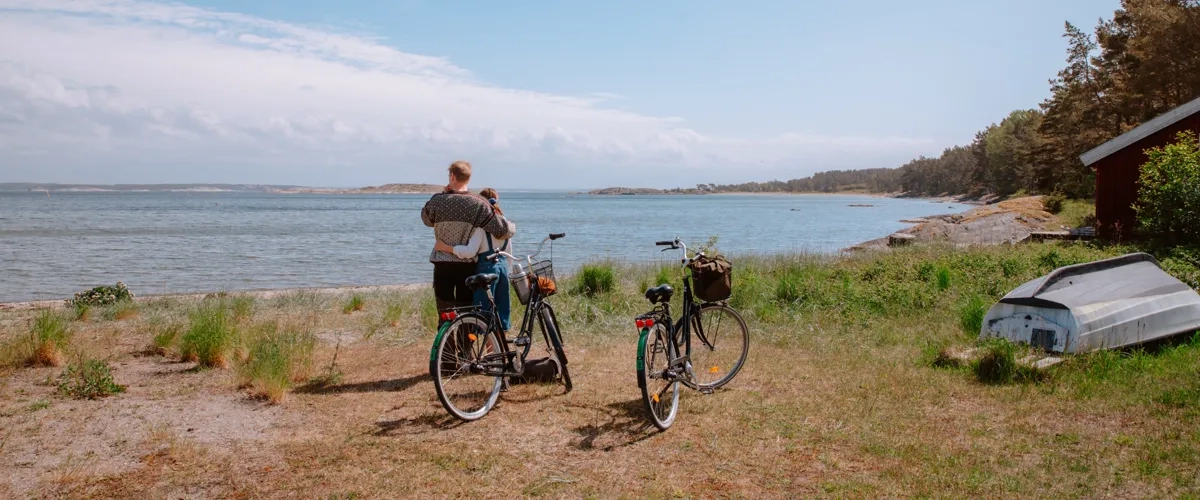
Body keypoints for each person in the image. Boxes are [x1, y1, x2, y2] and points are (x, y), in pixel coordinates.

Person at [421, 161, 515, 328]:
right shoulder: (479, 203)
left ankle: (446, 344)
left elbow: (426, 219)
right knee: (466, 313)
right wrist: (513, 227)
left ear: (452, 176)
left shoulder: (437, 201)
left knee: (445, 313)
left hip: (442, 263)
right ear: (468, 178)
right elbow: (501, 230)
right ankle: (464, 344)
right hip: (466, 266)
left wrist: (443, 194)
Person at [434, 187, 512, 331]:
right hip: (503, 269)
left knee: (483, 313)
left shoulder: (481, 228)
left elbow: (470, 252)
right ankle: (501, 344)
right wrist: (507, 270)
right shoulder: (505, 225)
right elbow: (508, 253)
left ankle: (487, 344)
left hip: (486, 269)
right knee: (501, 312)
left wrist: (446, 247)